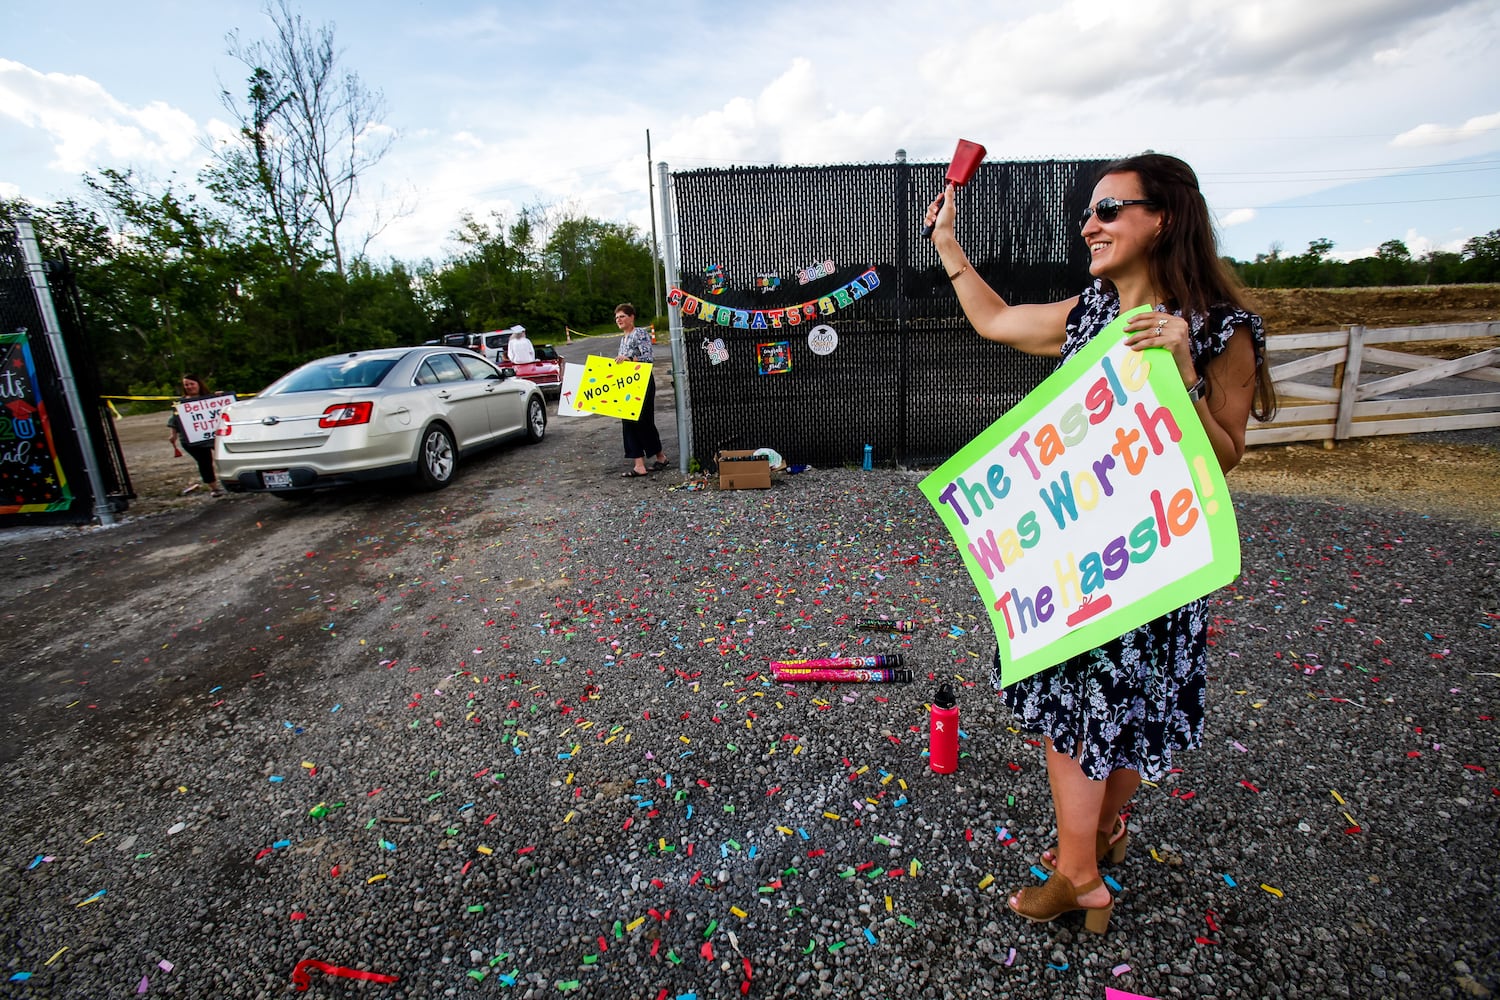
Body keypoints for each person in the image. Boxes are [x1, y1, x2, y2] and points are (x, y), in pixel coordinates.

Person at [924, 152, 1277, 935]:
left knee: (1109, 716)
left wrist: (1183, 366)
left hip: (1157, 558)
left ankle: (1078, 876)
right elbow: (995, 321)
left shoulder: (1222, 329)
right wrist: (948, 245)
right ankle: (1104, 839)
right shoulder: (1089, 312)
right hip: (1077, 554)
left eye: (1110, 208)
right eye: (1090, 211)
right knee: (1089, 713)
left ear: (1166, 218)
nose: (1091, 223)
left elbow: (1224, 457)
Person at [613, 303, 668, 478]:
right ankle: (640, 464)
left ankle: (659, 456)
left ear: (631, 317)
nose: (618, 320)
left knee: (643, 421)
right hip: (628, 384)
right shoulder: (623, 338)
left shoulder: (640, 333)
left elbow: (648, 358)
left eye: (622, 316)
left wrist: (629, 358)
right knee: (628, 421)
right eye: (616, 318)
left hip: (642, 382)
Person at [167, 374, 225, 497]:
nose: (189, 387)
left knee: (225, 457)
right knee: (205, 462)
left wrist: (222, 396)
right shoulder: (180, 403)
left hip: (214, 436)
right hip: (192, 439)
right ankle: (214, 488)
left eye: (191, 384)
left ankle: (235, 481)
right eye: (186, 385)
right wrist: (173, 435)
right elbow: (174, 420)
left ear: (198, 384)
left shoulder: (211, 398)